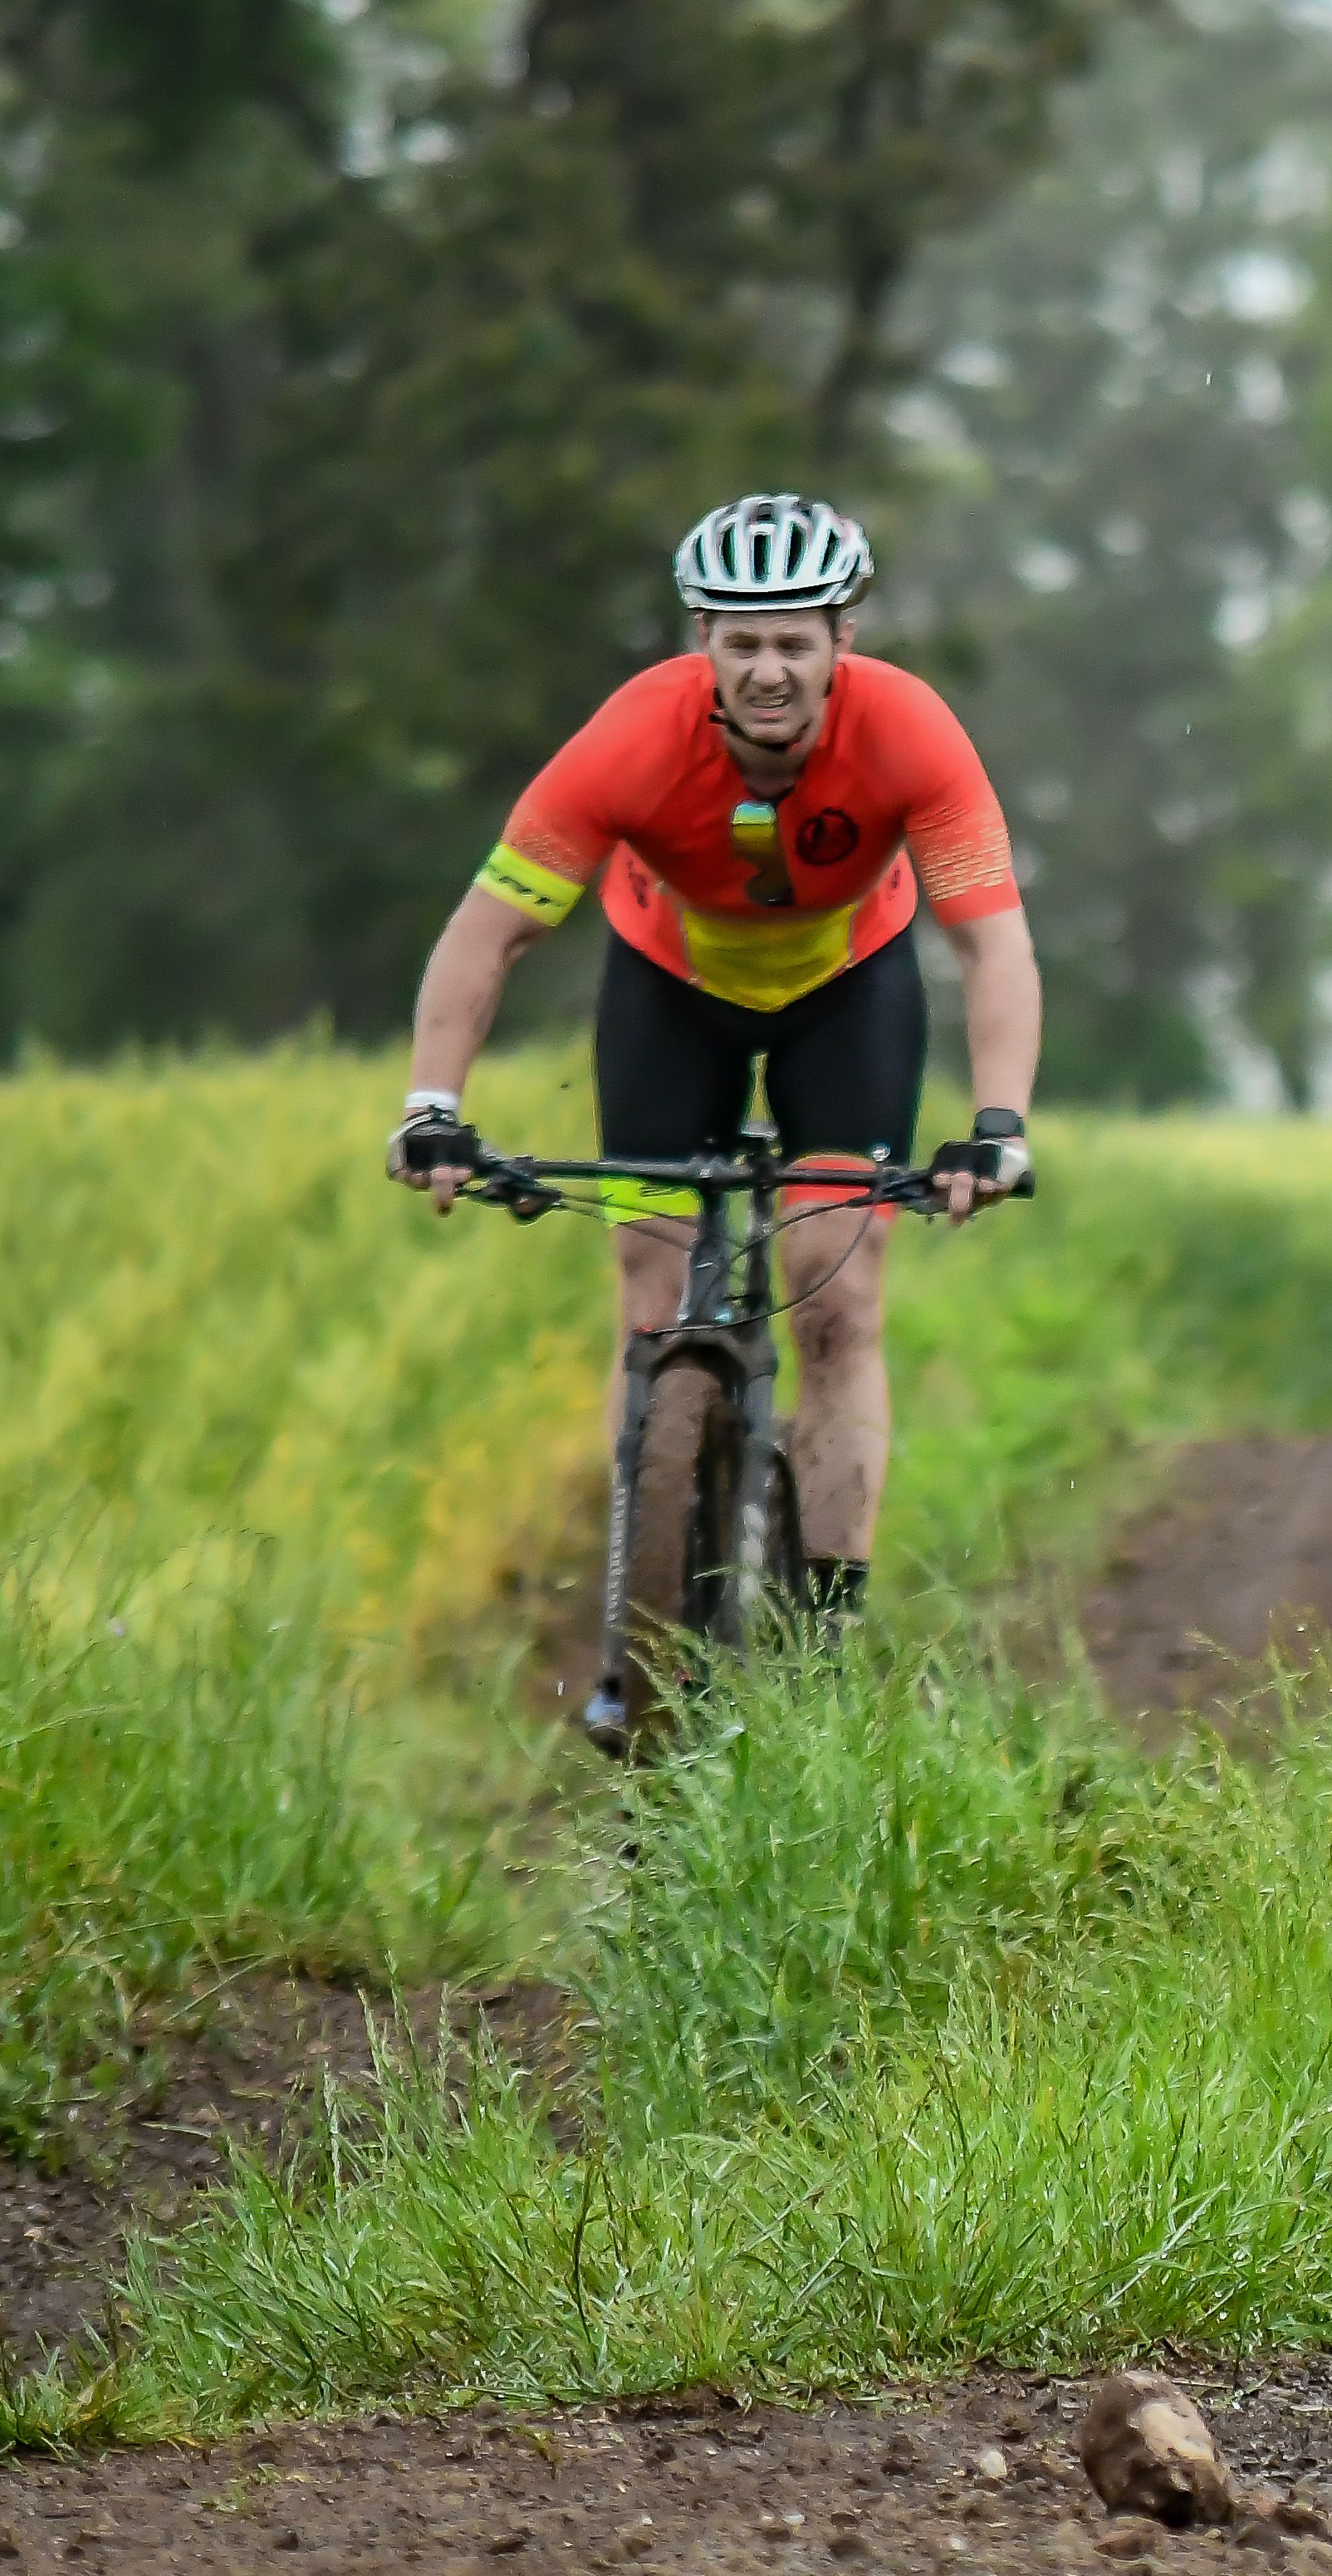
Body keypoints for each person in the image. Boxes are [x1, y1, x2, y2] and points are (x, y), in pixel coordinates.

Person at [386, 495, 1040, 1687]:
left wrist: (997, 1127)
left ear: (842, 642)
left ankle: (822, 1642)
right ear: (704, 643)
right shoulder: (633, 738)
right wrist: (433, 1107)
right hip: (669, 989)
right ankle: (636, 1615)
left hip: (847, 990)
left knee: (837, 1292)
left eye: (794, 640)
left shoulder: (910, 730)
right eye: (743, 642)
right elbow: (488, 933)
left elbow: (991, 942)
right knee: (649, 1286)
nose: (769, 670)